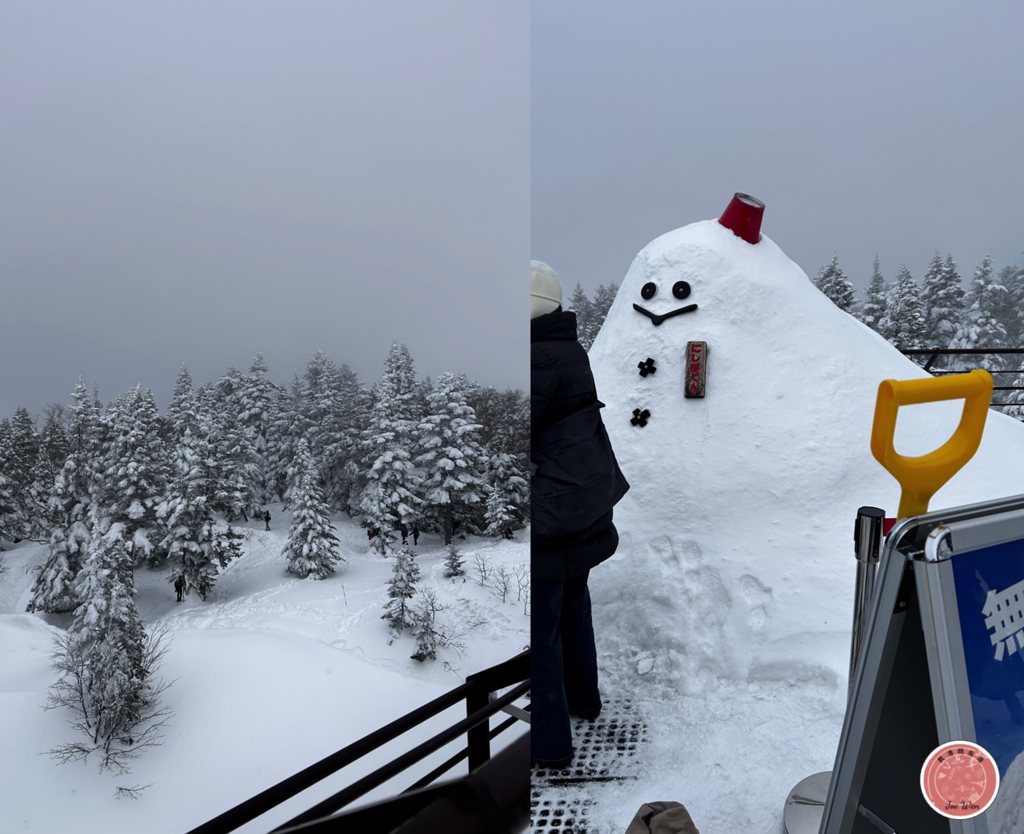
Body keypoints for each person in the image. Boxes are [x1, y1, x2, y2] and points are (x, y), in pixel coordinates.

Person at [530, 259, 629, 770]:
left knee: (540, 630)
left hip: (551, 515)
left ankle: (548, 746)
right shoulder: (567, 348)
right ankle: (584, 701)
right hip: (583, 503)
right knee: (574, 608)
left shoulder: (534, 358)